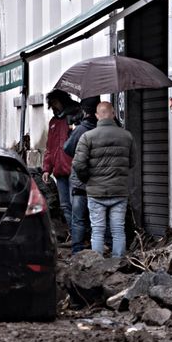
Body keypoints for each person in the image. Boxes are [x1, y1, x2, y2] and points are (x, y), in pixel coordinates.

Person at [72, 102, 139, 259]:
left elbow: (78, 164)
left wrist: (87, 179)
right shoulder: (127, 136)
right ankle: (118, 262)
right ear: (114, 114)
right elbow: (132, 162)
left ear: (97, 116)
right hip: (119, 191)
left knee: (97, 230)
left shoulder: (87, 137)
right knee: (118, 230)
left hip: (96, 192)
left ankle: (98, 266)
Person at [62, 96, 100, 254]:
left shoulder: (80, 130)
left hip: (80, 183)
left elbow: (67, 148)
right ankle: (99, 248)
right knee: (98, 219)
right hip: (100, 181)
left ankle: (77, 250)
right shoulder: (108, 127)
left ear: (84, 111)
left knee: (78, 219)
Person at [41, 90, 78, 230]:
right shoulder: (53, 122)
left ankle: (80, 236)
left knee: (76, 205)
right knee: (65, 206)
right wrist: (46, 169)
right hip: (59, 170)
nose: (53, 107)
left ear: (63, 101)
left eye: (55, 103)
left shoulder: (75, 117)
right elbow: (49, 148)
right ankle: (75, 235)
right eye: (51, 104)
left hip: (74, 169)